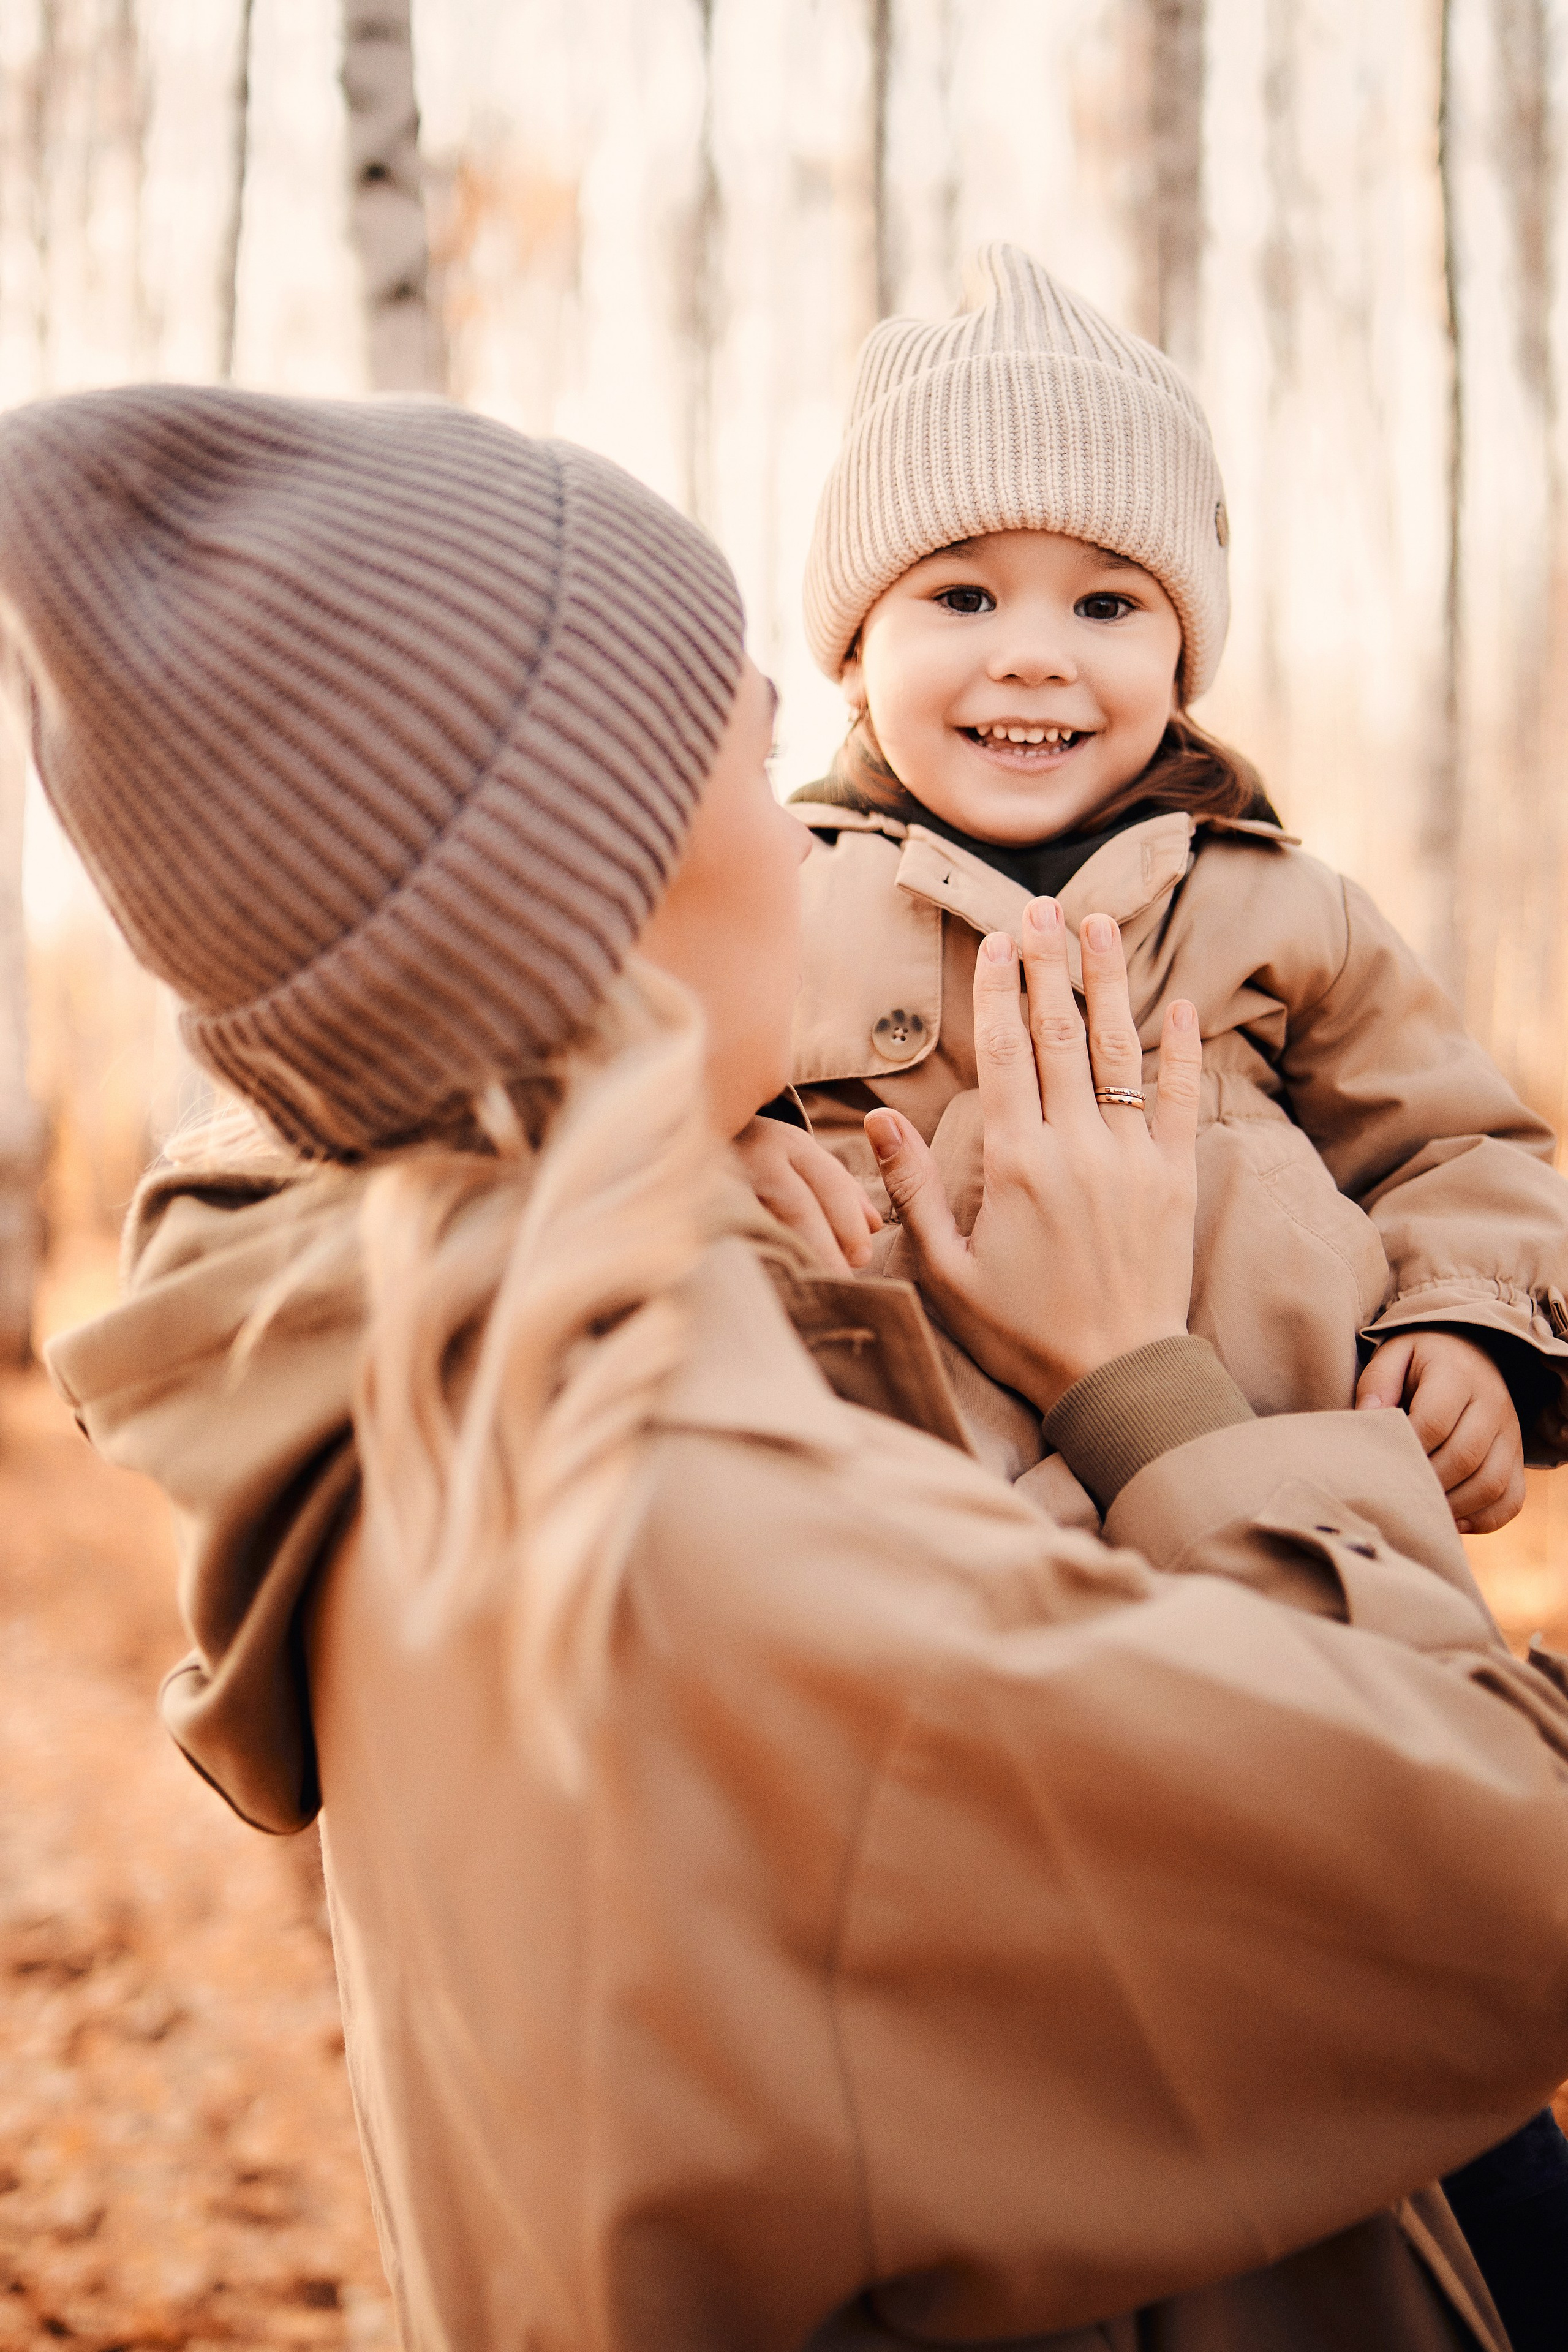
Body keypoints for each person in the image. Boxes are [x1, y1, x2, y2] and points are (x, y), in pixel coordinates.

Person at [10, 385, 1568, 2352]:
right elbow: (1504, 1879)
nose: (813, 831)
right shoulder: (736, 1543)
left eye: (1109, 603)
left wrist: (686, 1139)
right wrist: (1143, 1383)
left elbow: (1460, 1151)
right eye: (754, 758)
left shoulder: (435, 1370)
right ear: (601, 894)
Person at [740, 244, 1568, 1558]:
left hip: (1263, 1525)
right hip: (907, 1551)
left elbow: (1454, 1148)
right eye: (962, 595)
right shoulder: (773, 898)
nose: (1033, 655)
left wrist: (1464, 1324)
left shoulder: (1282, 909)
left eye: (1106, 603)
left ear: (1182, 657)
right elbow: (624, 1120)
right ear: (853, 652)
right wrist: (725, 1154)